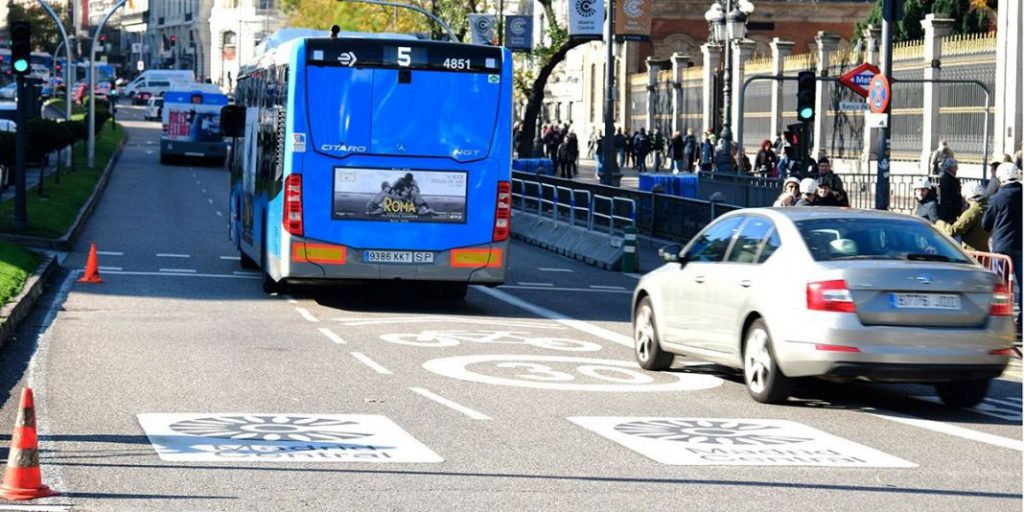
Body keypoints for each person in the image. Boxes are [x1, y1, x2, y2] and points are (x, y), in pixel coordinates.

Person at [982, 162, 1022, 335]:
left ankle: (1001, 322)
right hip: (1021, 245)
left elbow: (986, 224)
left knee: (1000, 285)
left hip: (1001, 247)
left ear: (1000, 179)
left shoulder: (997, 198)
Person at [937, 181, 990, 252]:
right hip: (985, 252)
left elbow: (951, 231)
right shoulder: (988, 208)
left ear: (967, 196)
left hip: (972, 254)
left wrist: (939, 222)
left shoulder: (972, 212)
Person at [937, 157, 962, 224]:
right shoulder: (946, 180)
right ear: (951, 168)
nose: (957, 169)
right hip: (948, 213)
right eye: (955, 167)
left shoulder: (952, 179)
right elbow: (947, 197)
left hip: (952, 211)